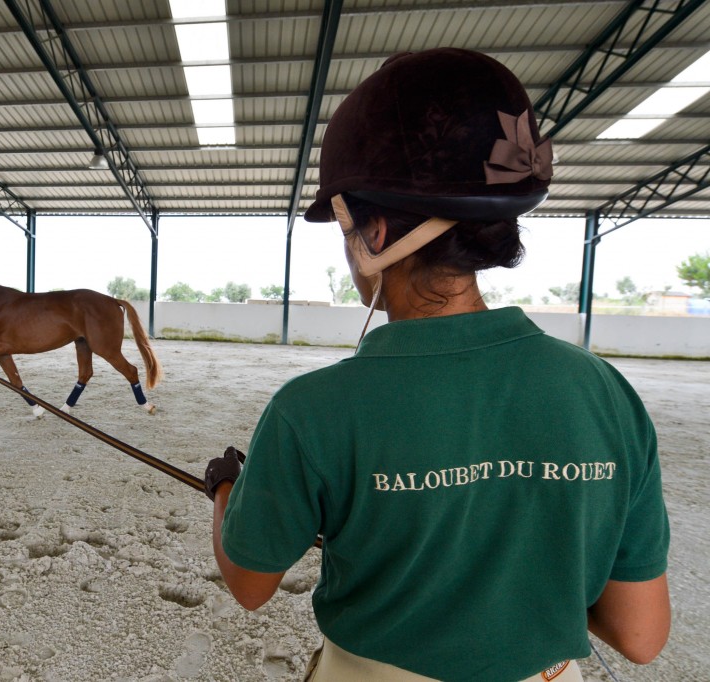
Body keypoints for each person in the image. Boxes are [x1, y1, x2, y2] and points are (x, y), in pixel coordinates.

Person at [204, 48, 671, 682]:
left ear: (371, 235)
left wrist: (226, 490)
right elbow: (640, 635)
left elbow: (250, 584)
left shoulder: (312, 409)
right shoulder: (604, 392)